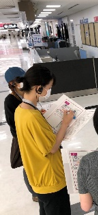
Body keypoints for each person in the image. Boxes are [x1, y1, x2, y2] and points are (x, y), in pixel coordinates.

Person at [15, 65, 74, 215]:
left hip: (37, 175)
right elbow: (52, 148)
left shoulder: (20, 110)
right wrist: (65, 123)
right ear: (38, 88)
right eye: (48, 88)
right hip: (50, 178)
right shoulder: (32, 117)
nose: (48, 92)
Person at [4, 67, 39, 202]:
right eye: (21, 80)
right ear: (12, 84)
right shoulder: (10, 101)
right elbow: (13, 126)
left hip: (34, 134)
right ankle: (34, 193)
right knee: (28, 164)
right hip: (24, 139)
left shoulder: (26, 94)